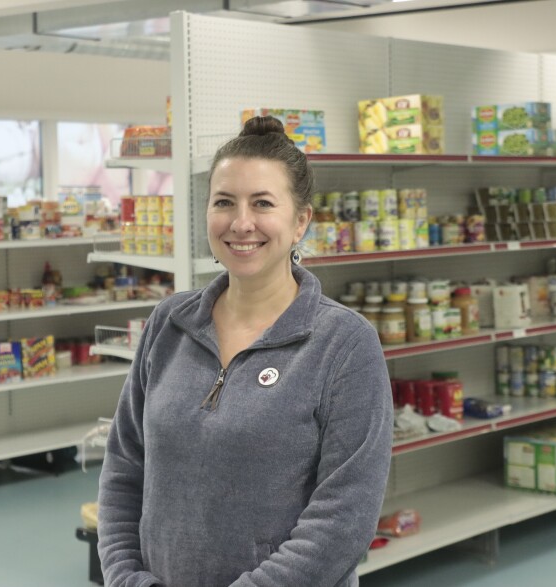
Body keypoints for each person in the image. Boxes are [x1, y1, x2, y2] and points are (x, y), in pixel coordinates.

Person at [98, 116, 394, 587]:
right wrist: (125, 578)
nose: (241, 223)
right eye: (224, 202)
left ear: (300, 221)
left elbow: (344, 519)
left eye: (262, 204)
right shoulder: (169, 324)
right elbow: (124, 469)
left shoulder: (343, 342)